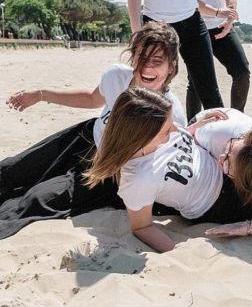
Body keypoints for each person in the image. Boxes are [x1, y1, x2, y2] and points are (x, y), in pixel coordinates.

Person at [1, 22, 186, 239]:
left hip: (110, 170)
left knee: (38, 199)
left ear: (171, 67)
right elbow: (91, 98)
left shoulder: (169, 115)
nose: (147, 68)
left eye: (157, 61)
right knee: (14, 170)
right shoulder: (117, 76)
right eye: (141, 58)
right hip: (83, 141)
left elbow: (156, 170)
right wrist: (41, 94)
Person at [84, 87, 252, 253]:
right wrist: (176, 253)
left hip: (223, 168)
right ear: (142, 138)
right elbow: (142, 227)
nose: (175, 129)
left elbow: (181, 136)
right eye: (167, 129)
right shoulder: (138, 179)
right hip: (218, 205)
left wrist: (196, 126)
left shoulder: (160, 134)